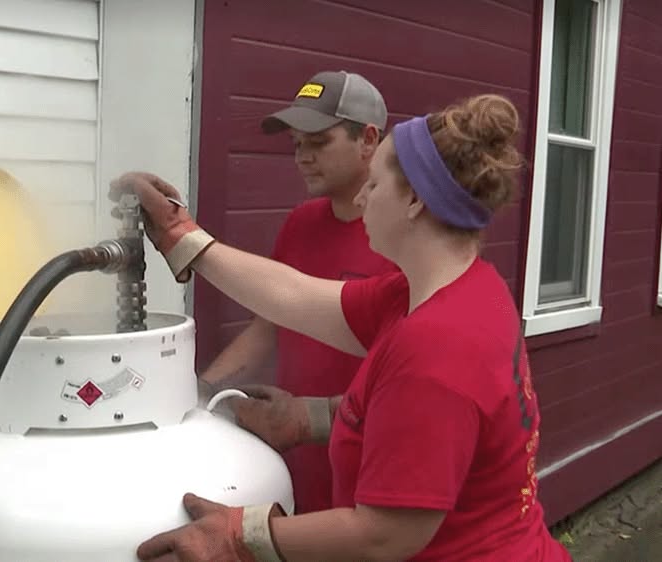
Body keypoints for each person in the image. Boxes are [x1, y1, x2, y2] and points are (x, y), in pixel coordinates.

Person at [112, 93, 572, 561]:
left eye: (374, 184)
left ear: (414, 200)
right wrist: (181, 236)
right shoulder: (449, 290)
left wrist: (237, 535)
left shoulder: (438, 343)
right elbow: (295, 296)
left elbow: (383, 534)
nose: (360, 196)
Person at [200, 70, 397, 515]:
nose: (302, 157)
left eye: (318, 142)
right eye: (296, 145)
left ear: (368, 139)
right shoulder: (301, 223)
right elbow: (269, 325)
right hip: (297, 459)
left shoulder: (401, 239)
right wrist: (202, 393)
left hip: (369, 465)